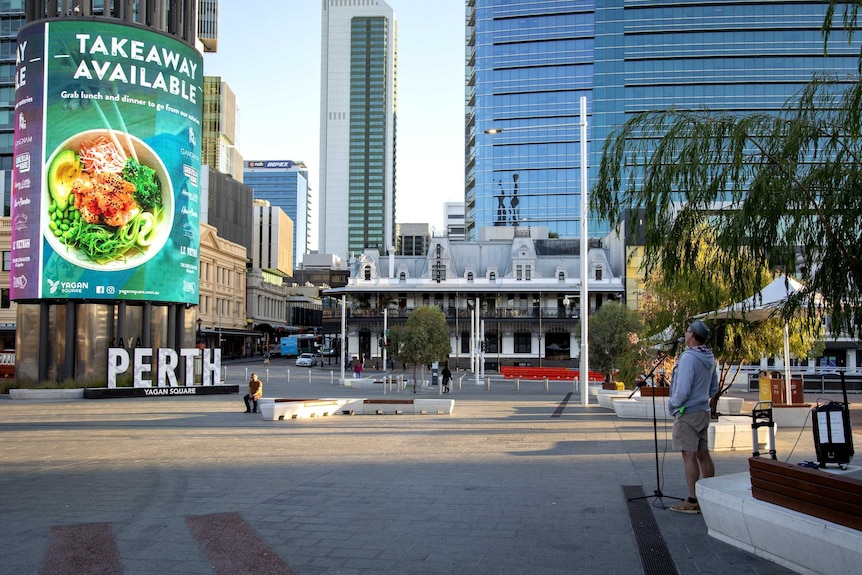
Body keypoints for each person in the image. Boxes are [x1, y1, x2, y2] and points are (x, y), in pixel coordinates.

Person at [667, 319, 719, 514]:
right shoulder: (709, 357)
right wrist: (702, 397)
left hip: (688, 413)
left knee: (688, 455)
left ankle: (692, 500)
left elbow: (682, 390)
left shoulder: (689, 358)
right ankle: (710, 494)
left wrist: (673, 405)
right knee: (703, 454)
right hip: (703, 411)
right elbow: (714, 387)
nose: (685, 333)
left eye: (688, 330)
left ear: (693, 336)